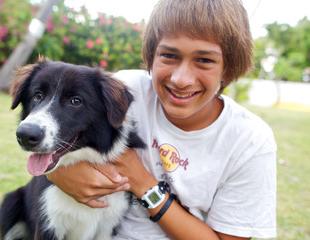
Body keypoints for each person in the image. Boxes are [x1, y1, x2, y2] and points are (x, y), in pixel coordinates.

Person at [47, 0, 277, 239]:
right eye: (169, 55)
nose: (181, 79)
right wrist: (56, 173)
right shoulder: (125, 93)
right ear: (151, 55)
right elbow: (53, 141)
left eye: (205, 60)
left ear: (228, 68)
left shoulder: (251, 141)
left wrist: (143, 183)